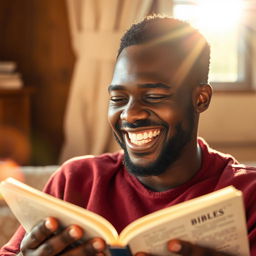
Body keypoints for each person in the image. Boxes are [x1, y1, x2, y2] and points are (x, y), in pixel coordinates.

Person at [1, 15, 256, 256]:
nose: (130, 115)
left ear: (200, 99)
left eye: (154, 96)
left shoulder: (247, 193)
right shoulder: (76, 181)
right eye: (118, 99)